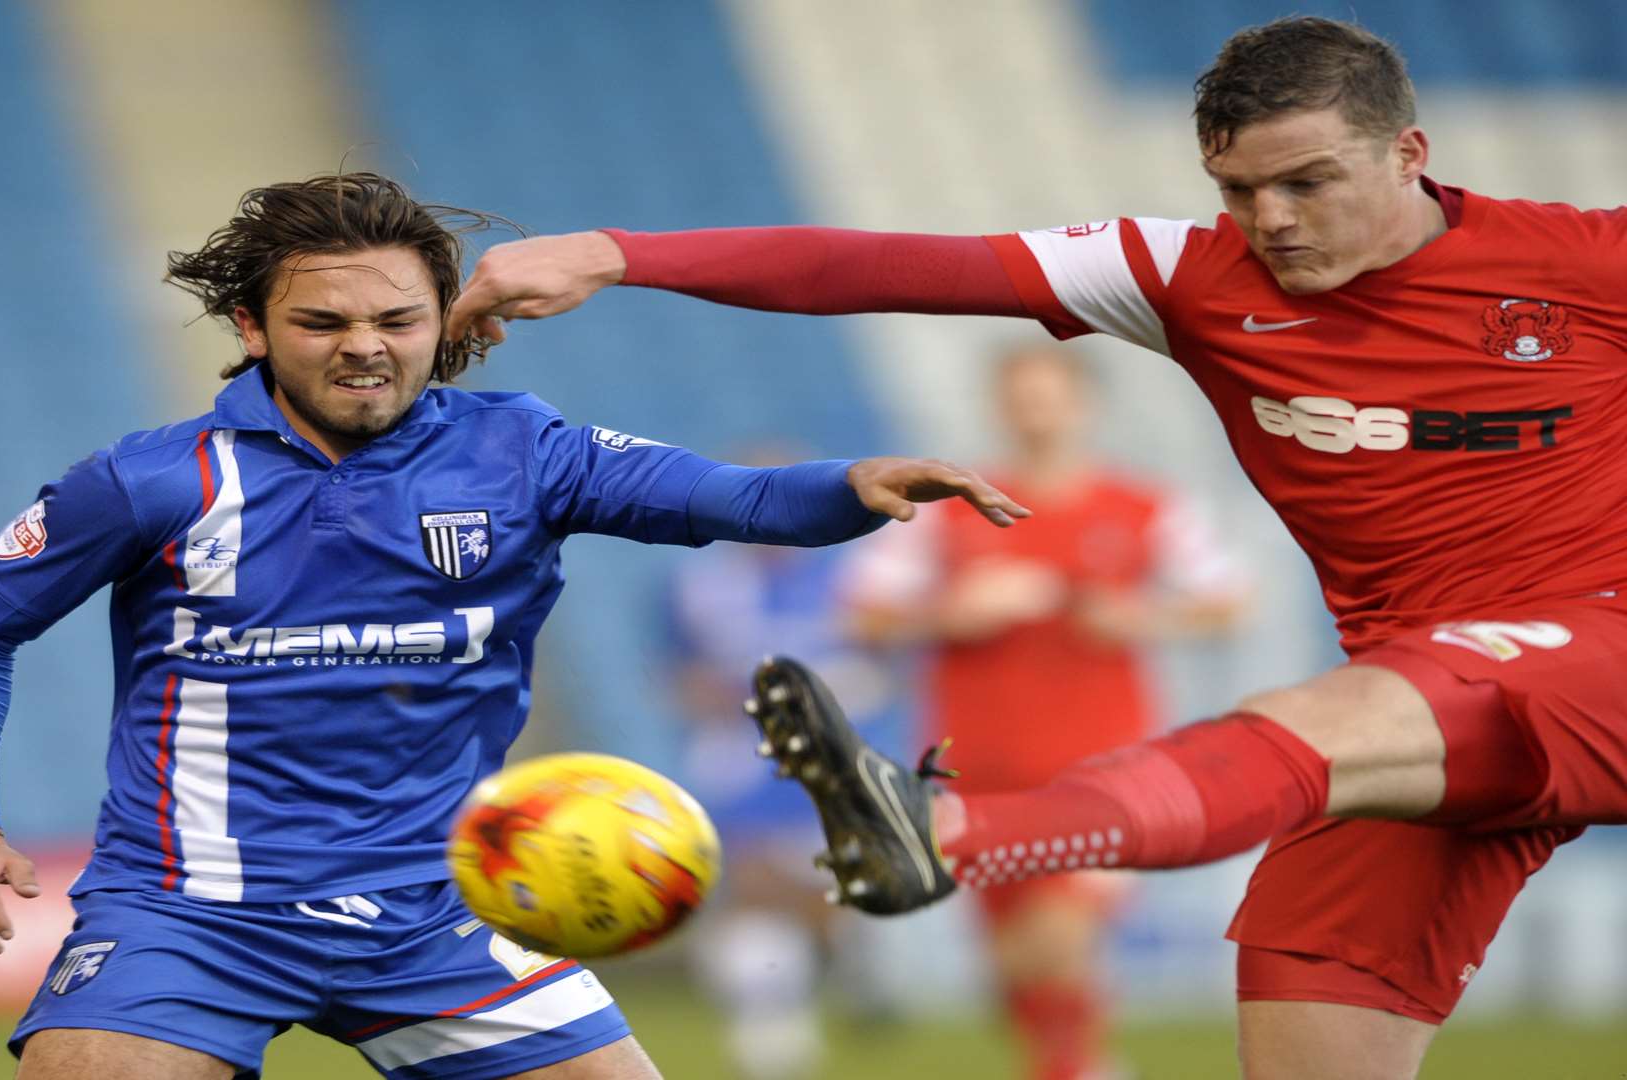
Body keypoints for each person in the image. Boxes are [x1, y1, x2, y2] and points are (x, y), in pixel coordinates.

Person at [444, 16, 1627, 1078]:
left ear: (1409, 155)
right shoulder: (1187, 278)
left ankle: (949, 834)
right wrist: (614, 251)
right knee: (1309, 1013)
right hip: (1428, 696)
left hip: (1587, 645)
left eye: (1307, 182)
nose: (1270, 219)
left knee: (1336, 712)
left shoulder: (1586, 262)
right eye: (1238, 188)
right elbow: (882, 268)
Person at [0, 172, 1028, 1080]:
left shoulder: (520, 451)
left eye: (398, 318)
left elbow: (731, 497)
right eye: (323, 321)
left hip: (440, 909)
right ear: (252, 326)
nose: (365, 346)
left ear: (442, 320)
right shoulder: (153, 481)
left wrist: (855, 484)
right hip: (190, 914)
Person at [843, 344, 1246, 1080]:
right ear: (999, 406)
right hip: (976, 763)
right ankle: (1076, 1064)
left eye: (1050, 395)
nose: (1036, 411)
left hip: (1100, 760)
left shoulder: (1144, 506)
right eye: (1021, 396)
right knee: (1009, 963)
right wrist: (950, 613)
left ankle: (1078, 1068)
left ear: (1084, 404)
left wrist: (1140, 618)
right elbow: (863, 617)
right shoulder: (948, 508)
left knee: (1059, 935)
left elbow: (1226, 602)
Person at [664, 455, 916, 1079]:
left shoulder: (851, 580)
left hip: (830, 758)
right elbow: (681, 677)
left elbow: (889, 667)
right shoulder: (697, 586)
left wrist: (847, 691)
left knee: (819, 887)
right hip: (740, 756)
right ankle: (773, 1025)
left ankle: (843, 961)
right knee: (750, 881)